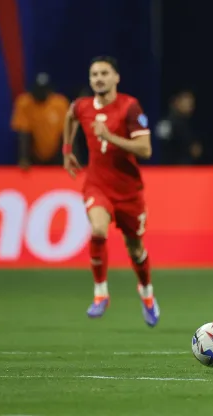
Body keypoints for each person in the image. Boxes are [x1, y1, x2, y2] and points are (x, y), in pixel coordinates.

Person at [62, 56, 160, 327]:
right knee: (98, 230)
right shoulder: (82, 106)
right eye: (94, 74)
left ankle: (147, 294)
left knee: (136, 249)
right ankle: (100, 293)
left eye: (105, 73)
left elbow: (146, 149)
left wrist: (109, 137)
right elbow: (70, 117)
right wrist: (67, 150)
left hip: (128, 189)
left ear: (116, 77)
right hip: (97, 184)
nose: (99, 78)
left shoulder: (129, 107)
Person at [11, 72, 70, 169]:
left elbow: (66, 135)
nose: (40, 94)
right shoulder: (24, 103)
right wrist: (24, 159)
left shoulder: (60, 103)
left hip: (57, 154)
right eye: (38, 91)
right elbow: (23, 134)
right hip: (33, 155)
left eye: (43, 91)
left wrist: (68, 158)